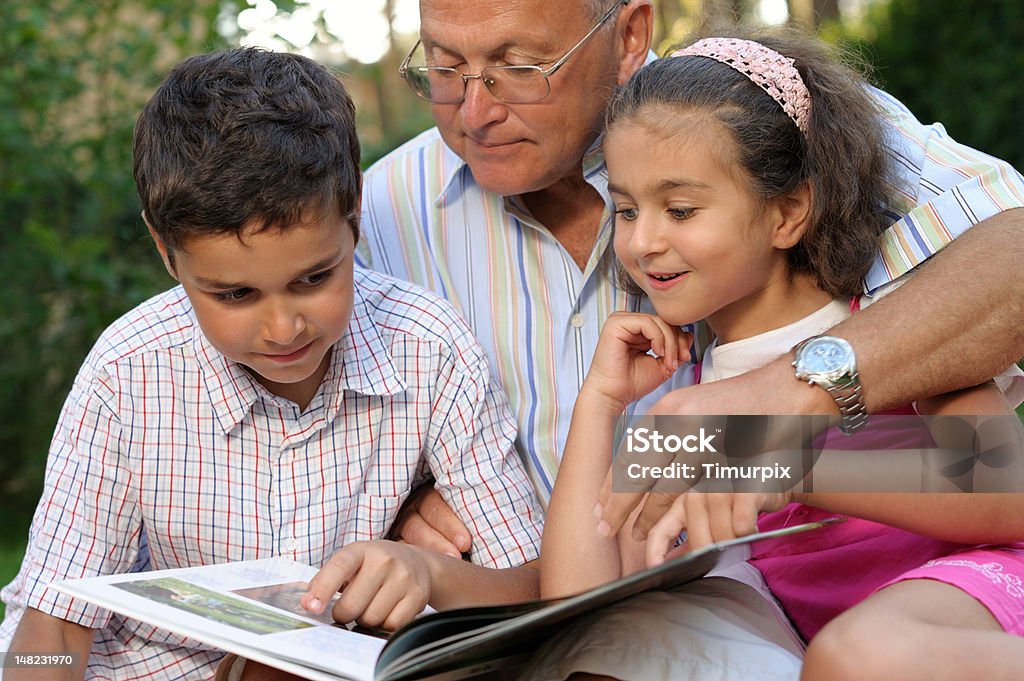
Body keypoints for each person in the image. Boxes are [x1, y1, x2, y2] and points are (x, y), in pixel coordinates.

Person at [366, 0, 1024, 549]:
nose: (474, 113)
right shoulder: (376, 213)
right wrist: (395, 503)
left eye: (520, 67)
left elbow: (1009, 247)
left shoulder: (778, 118)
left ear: (628, 35)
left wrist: (785, 398)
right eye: (444, 68)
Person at [0, 47, 543, 680]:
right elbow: (51, 628)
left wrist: (432, 575)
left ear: (354, 212)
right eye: (234, 295)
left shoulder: (431, 350)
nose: (284, 328)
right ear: (165, 251)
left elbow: (531, 584)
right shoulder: (127, 375)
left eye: (314, 278)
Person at [538, 29, 1024, 681]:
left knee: (863, 655)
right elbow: (579, 609)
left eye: (680, 209)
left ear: (787, 212)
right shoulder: (685, 386)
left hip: (975, 595)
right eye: (626, 210)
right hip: (821, 643)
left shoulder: (888, 319)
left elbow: (1000, 485)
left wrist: (783, 454)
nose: (644, 240)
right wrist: (599, 405)